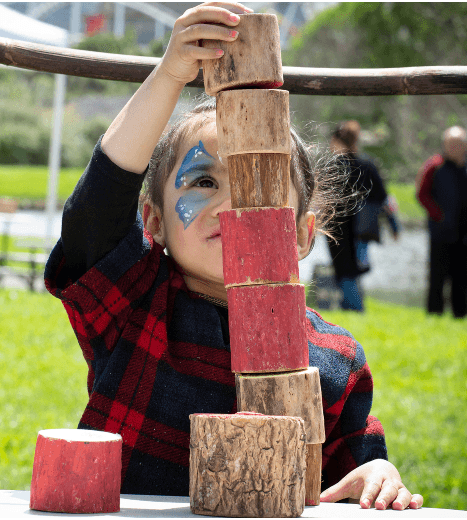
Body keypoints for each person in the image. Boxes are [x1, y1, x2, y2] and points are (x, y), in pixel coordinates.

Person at [44, 2, 422, 510]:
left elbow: (352, 476)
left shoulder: (337, 356)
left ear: (302, 234)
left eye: (260, 182)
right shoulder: (136, 298)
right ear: (153, 221)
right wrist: (170, 75)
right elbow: (96, 209)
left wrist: (376, 471)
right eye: (204, 181)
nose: (233, 204)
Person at [416, 126, 467, 318]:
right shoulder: (435, 165)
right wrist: (438, 216)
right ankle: (434, 313)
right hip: (441, 231)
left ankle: (461, 314)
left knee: (464, 275)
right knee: (437, 275)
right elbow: (422, 194)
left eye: (458, 143)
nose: (454, 147)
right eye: (450, 143)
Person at [326, 120, 400, 312]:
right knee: (355, 270)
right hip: (362, 229)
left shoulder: (334, 166)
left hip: (339, 229)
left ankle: (355, 309)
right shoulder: (368, 164)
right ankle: (352, 307)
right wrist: (394, 226)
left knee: (345, 272)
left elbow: (325, 200)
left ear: (336, 141)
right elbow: (384, 198)